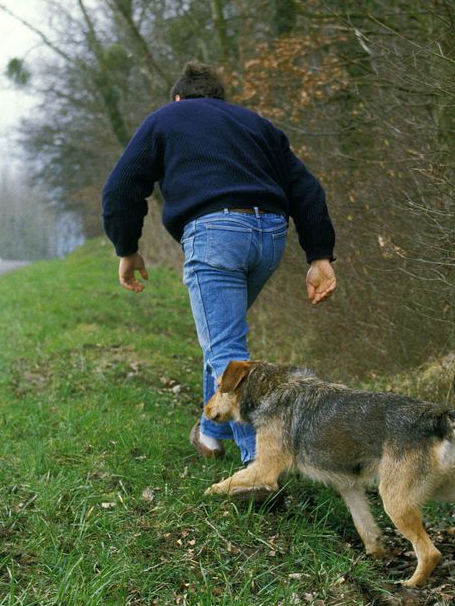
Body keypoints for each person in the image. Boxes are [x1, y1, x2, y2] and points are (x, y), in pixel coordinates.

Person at [101, 61, 338, 471]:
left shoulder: (166, 118)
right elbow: (307, 189)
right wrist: (319, 256)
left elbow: (121, 186)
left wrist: (127, 248)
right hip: (270, 235)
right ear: (219, 99)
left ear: (177, 97)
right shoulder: (256, 124)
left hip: (216, 233)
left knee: (226, 350)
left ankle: (257, 467)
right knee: (221, 337)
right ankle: (211, 432)